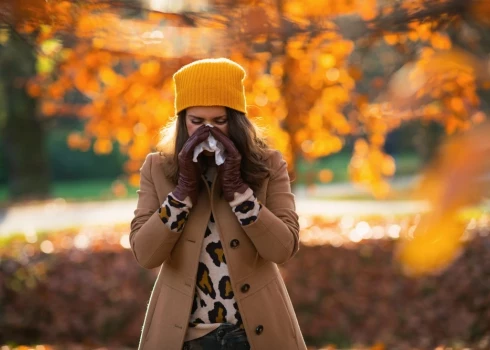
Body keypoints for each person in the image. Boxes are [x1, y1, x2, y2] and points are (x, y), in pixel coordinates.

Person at [130, 58, 307, 350]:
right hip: (185, 338)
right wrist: (183, 192)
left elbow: (283, 248)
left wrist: (240, 192)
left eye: (219, 122)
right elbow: (145, 254)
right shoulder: (157, 169)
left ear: (236, 120)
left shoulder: (268, 165)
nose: (207, 133)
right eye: (197, 122)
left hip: (255, 335)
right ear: (183, 120)